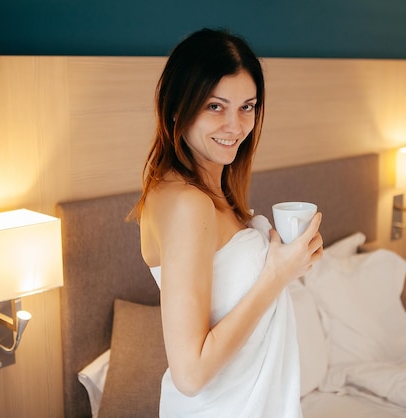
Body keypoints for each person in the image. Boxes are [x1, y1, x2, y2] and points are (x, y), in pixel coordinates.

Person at [130, 28, 323, 417]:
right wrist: (276, 276)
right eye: (215, 107)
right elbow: (190, 373)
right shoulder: (189, 204)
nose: (235, 126)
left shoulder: (209, 190)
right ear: (177, 107)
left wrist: (287, 264)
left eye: (247, 107)